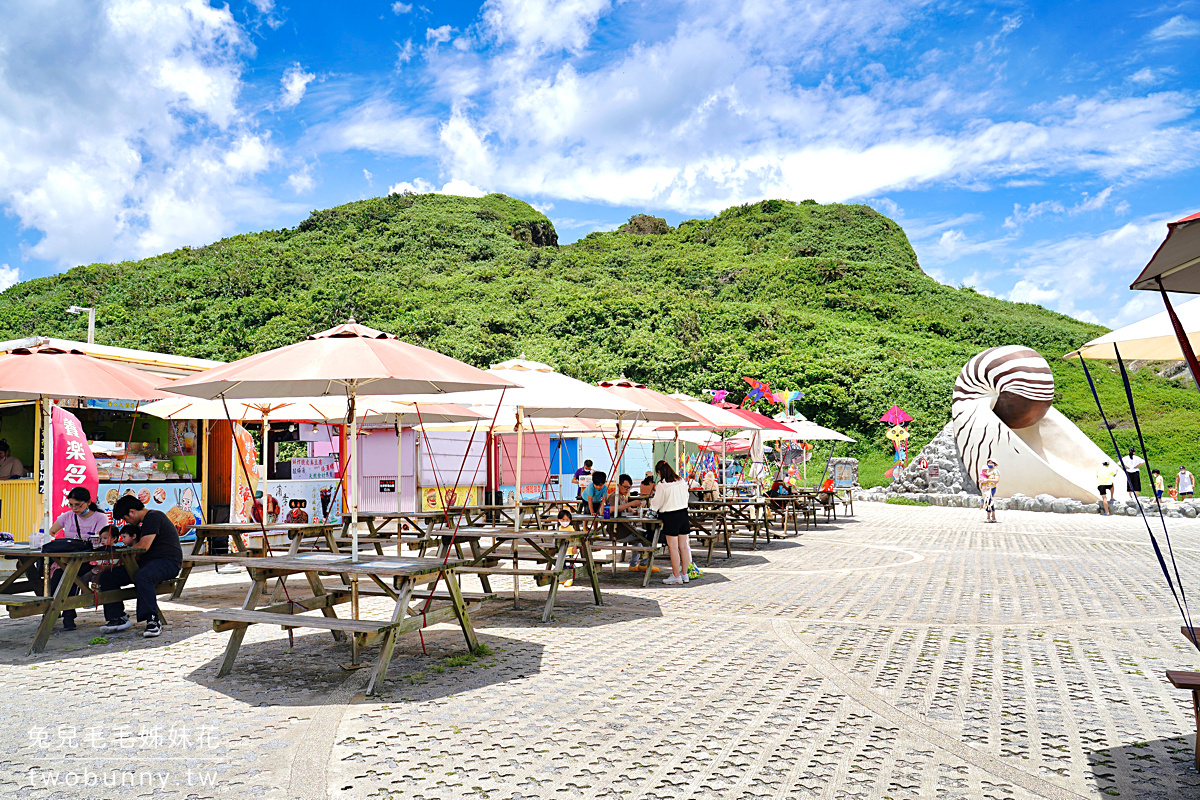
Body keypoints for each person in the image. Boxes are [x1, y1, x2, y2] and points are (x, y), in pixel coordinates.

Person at [98, 495, 183, 638]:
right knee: (108, 576)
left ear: (132, 512)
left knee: (144, 576)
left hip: (168, 562)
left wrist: (122, 553)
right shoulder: (145, 522)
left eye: (126, 518)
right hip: (148, 563)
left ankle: (152, 621)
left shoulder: (154, 516)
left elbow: (143, 547)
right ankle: (117, 617)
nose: (127, 522)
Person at [47, 487, 109, 631]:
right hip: (68, 559)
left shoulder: (100, 518)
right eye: (71, 504)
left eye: (78, 505)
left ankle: (67, 616)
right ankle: (57, 613)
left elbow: (101, 538)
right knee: (57, 576)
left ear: (88, 502)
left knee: (70, 576)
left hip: (89, 559)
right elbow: (52, 531)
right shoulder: (67, 516)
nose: (74, 508)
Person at [650, 460, 701, 583]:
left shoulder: (662, 485)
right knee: (683, 547)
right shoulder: (682, 481)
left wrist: (652, 507)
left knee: (673, 548)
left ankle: (676, 575)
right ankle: (684, 574)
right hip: (683, 514)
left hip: (670, 516)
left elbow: (657, 503)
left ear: (659, 472)